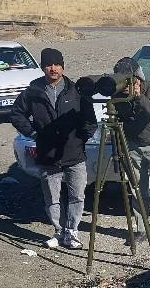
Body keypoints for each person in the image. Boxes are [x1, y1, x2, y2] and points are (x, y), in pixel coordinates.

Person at [9, 48, 97, 249]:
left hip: (74, 154)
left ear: (63, 67)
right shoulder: (33, 92)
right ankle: (58, 231)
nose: (53, 68)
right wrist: (32, 134)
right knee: (52, 198)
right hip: (48, 154)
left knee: (77, 196)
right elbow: (16, 114)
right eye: (48, 64)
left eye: (57, 64)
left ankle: (72, 232)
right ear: (42, 67)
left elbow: (90, 120)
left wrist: (80, 138)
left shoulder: (76, 91)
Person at [112, 57, 150, 245]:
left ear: (138, 77)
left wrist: (139, 97)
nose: (125, 84)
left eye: (129, 79)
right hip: (133, 144)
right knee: (136, 186)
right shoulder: (118, 94)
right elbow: (116, 123)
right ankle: (141, 228)